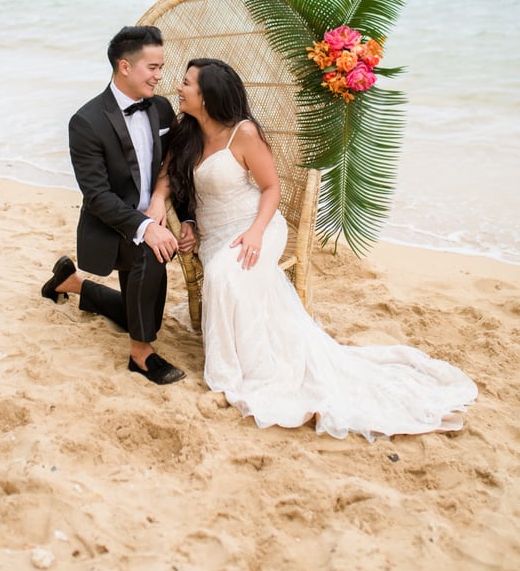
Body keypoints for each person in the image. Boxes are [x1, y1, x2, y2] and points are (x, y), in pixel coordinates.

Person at [147, 57, 477, 439]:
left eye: (187, 83)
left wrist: (255, 232)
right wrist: (160, 201)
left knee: (224, 277)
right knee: (228, 277)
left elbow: (271, 189)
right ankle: (240, 364)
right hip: (216, 235)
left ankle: (227, 378)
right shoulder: (186, 132)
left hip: (258, 225)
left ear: (208, 96)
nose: (179, 88)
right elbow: (168, 175)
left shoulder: (244, 133)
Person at [41, 26, 195, 385]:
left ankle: (71, 282)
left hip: (154, 215)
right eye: (153, 68)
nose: (160, 76)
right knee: (150, 252)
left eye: (161, 67)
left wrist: (185, 217)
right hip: (111, 224)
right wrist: (145, 227)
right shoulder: (86, 121)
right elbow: (96, 196)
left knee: (138, 310)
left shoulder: (160, 108)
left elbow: (174, 166)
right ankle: (141, 355)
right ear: (125, 67)